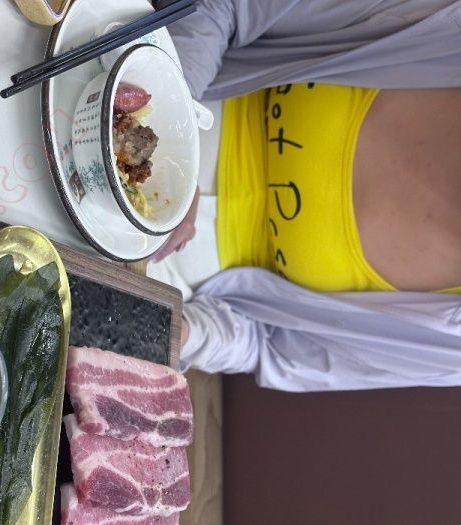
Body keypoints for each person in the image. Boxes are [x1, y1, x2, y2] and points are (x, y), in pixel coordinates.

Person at [148, 0, 461, 391]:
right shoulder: (443, 27)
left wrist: (185, 333)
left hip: (164, 273)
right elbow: (227, 7)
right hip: (168, 89)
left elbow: (268, 345)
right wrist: (167, 132)